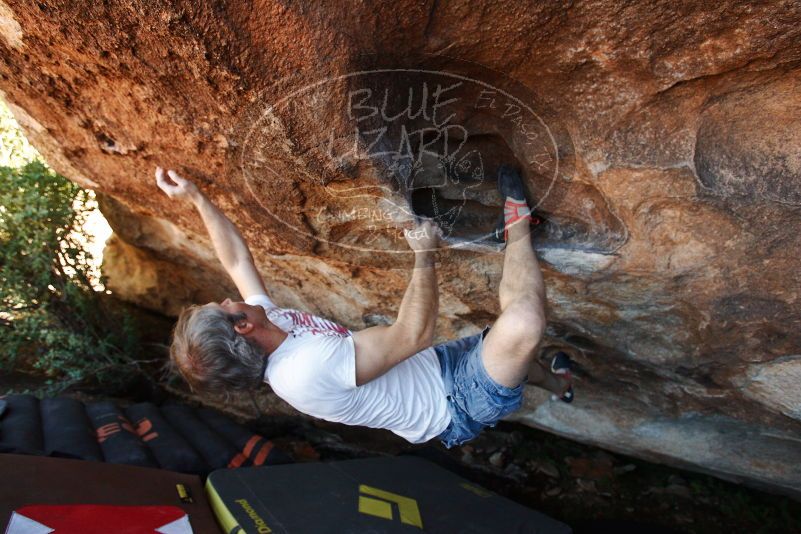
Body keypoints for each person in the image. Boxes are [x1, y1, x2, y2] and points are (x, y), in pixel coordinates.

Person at [156, 165, 572, 448]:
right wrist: (424, 255)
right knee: (522, 324)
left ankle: (560, 385)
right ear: (242, 326)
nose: (231, 297)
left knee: (520, 363)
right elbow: (413, 334)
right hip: (454, 402)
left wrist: (195, 198)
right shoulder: (303, 371)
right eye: (225, 304)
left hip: (433, 365)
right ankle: (517, 228)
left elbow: (236, 261)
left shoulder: (268, 327)